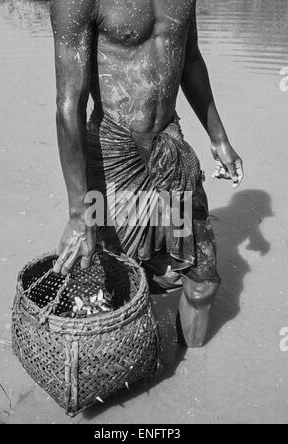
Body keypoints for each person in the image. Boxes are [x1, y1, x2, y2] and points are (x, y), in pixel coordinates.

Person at [51, 0, 244, 348]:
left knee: (201, 283)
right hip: (111, 158)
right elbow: (69, 103)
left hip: (168, 153)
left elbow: (192, 58)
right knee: (107, 285)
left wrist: (219, 137)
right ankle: (125, 373)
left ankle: (191, 383)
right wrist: (79, 216)